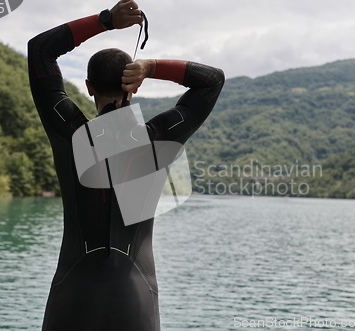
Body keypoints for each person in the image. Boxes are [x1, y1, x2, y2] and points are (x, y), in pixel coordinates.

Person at [27, 0, 225, 330]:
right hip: (136, 300)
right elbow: (212, 80)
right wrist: (150, 67)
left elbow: (40, 50)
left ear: (89, 87)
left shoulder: (69, 130)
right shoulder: (160, 136)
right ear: (134, 86)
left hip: (73, 296)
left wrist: (107, 20)